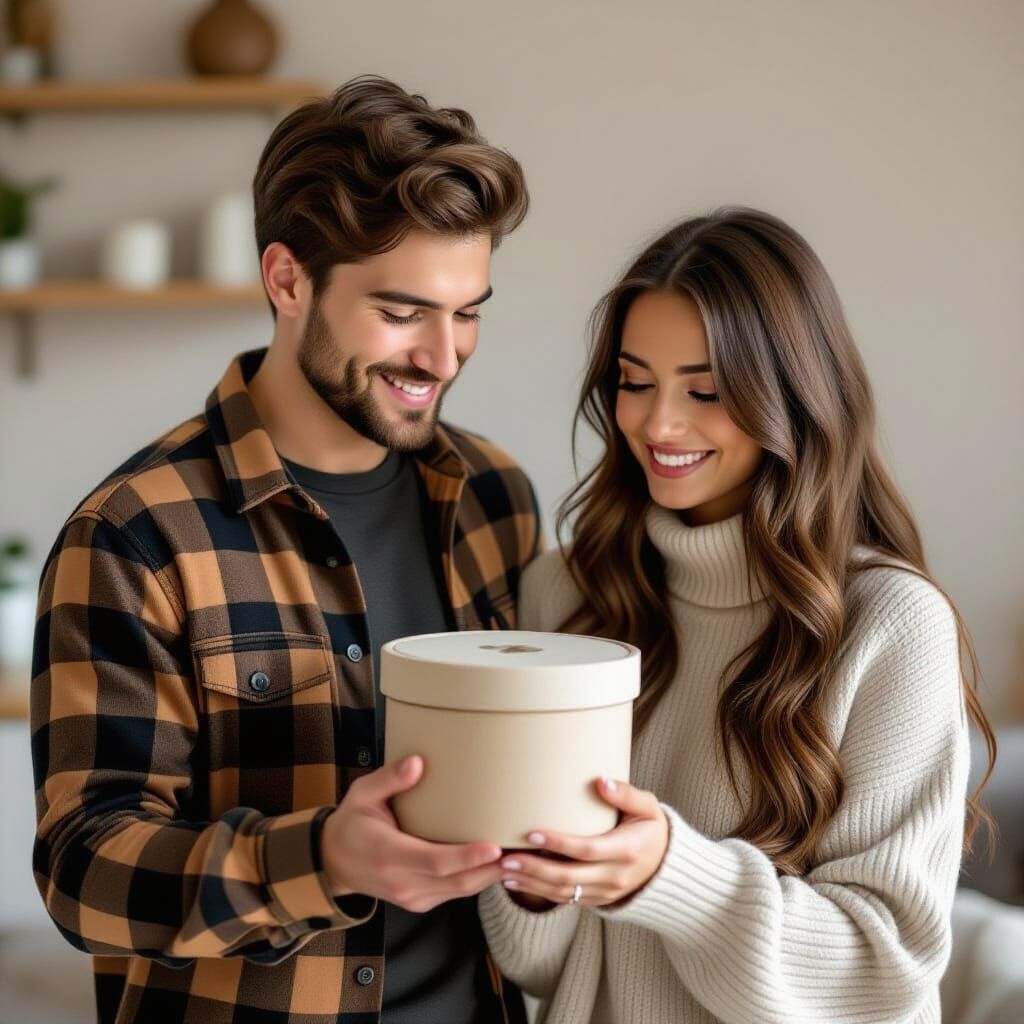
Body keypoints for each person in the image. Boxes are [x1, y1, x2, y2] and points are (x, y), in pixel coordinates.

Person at [30, 75, 539, 1024]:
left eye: (467, 310)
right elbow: (83, 870)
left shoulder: (494, 498)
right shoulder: (138, 533)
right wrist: (320, 860)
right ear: (287, 279)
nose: (444, 356)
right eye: (402, 312)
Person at [479, 207, 998, 1023]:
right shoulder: (566, 596)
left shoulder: (890, 623)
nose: (659, 424)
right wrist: (534, 876)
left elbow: (884, 970)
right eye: (635, 381)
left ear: (790, 393)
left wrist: (668, 876)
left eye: (707, 390)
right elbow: (536, 963)